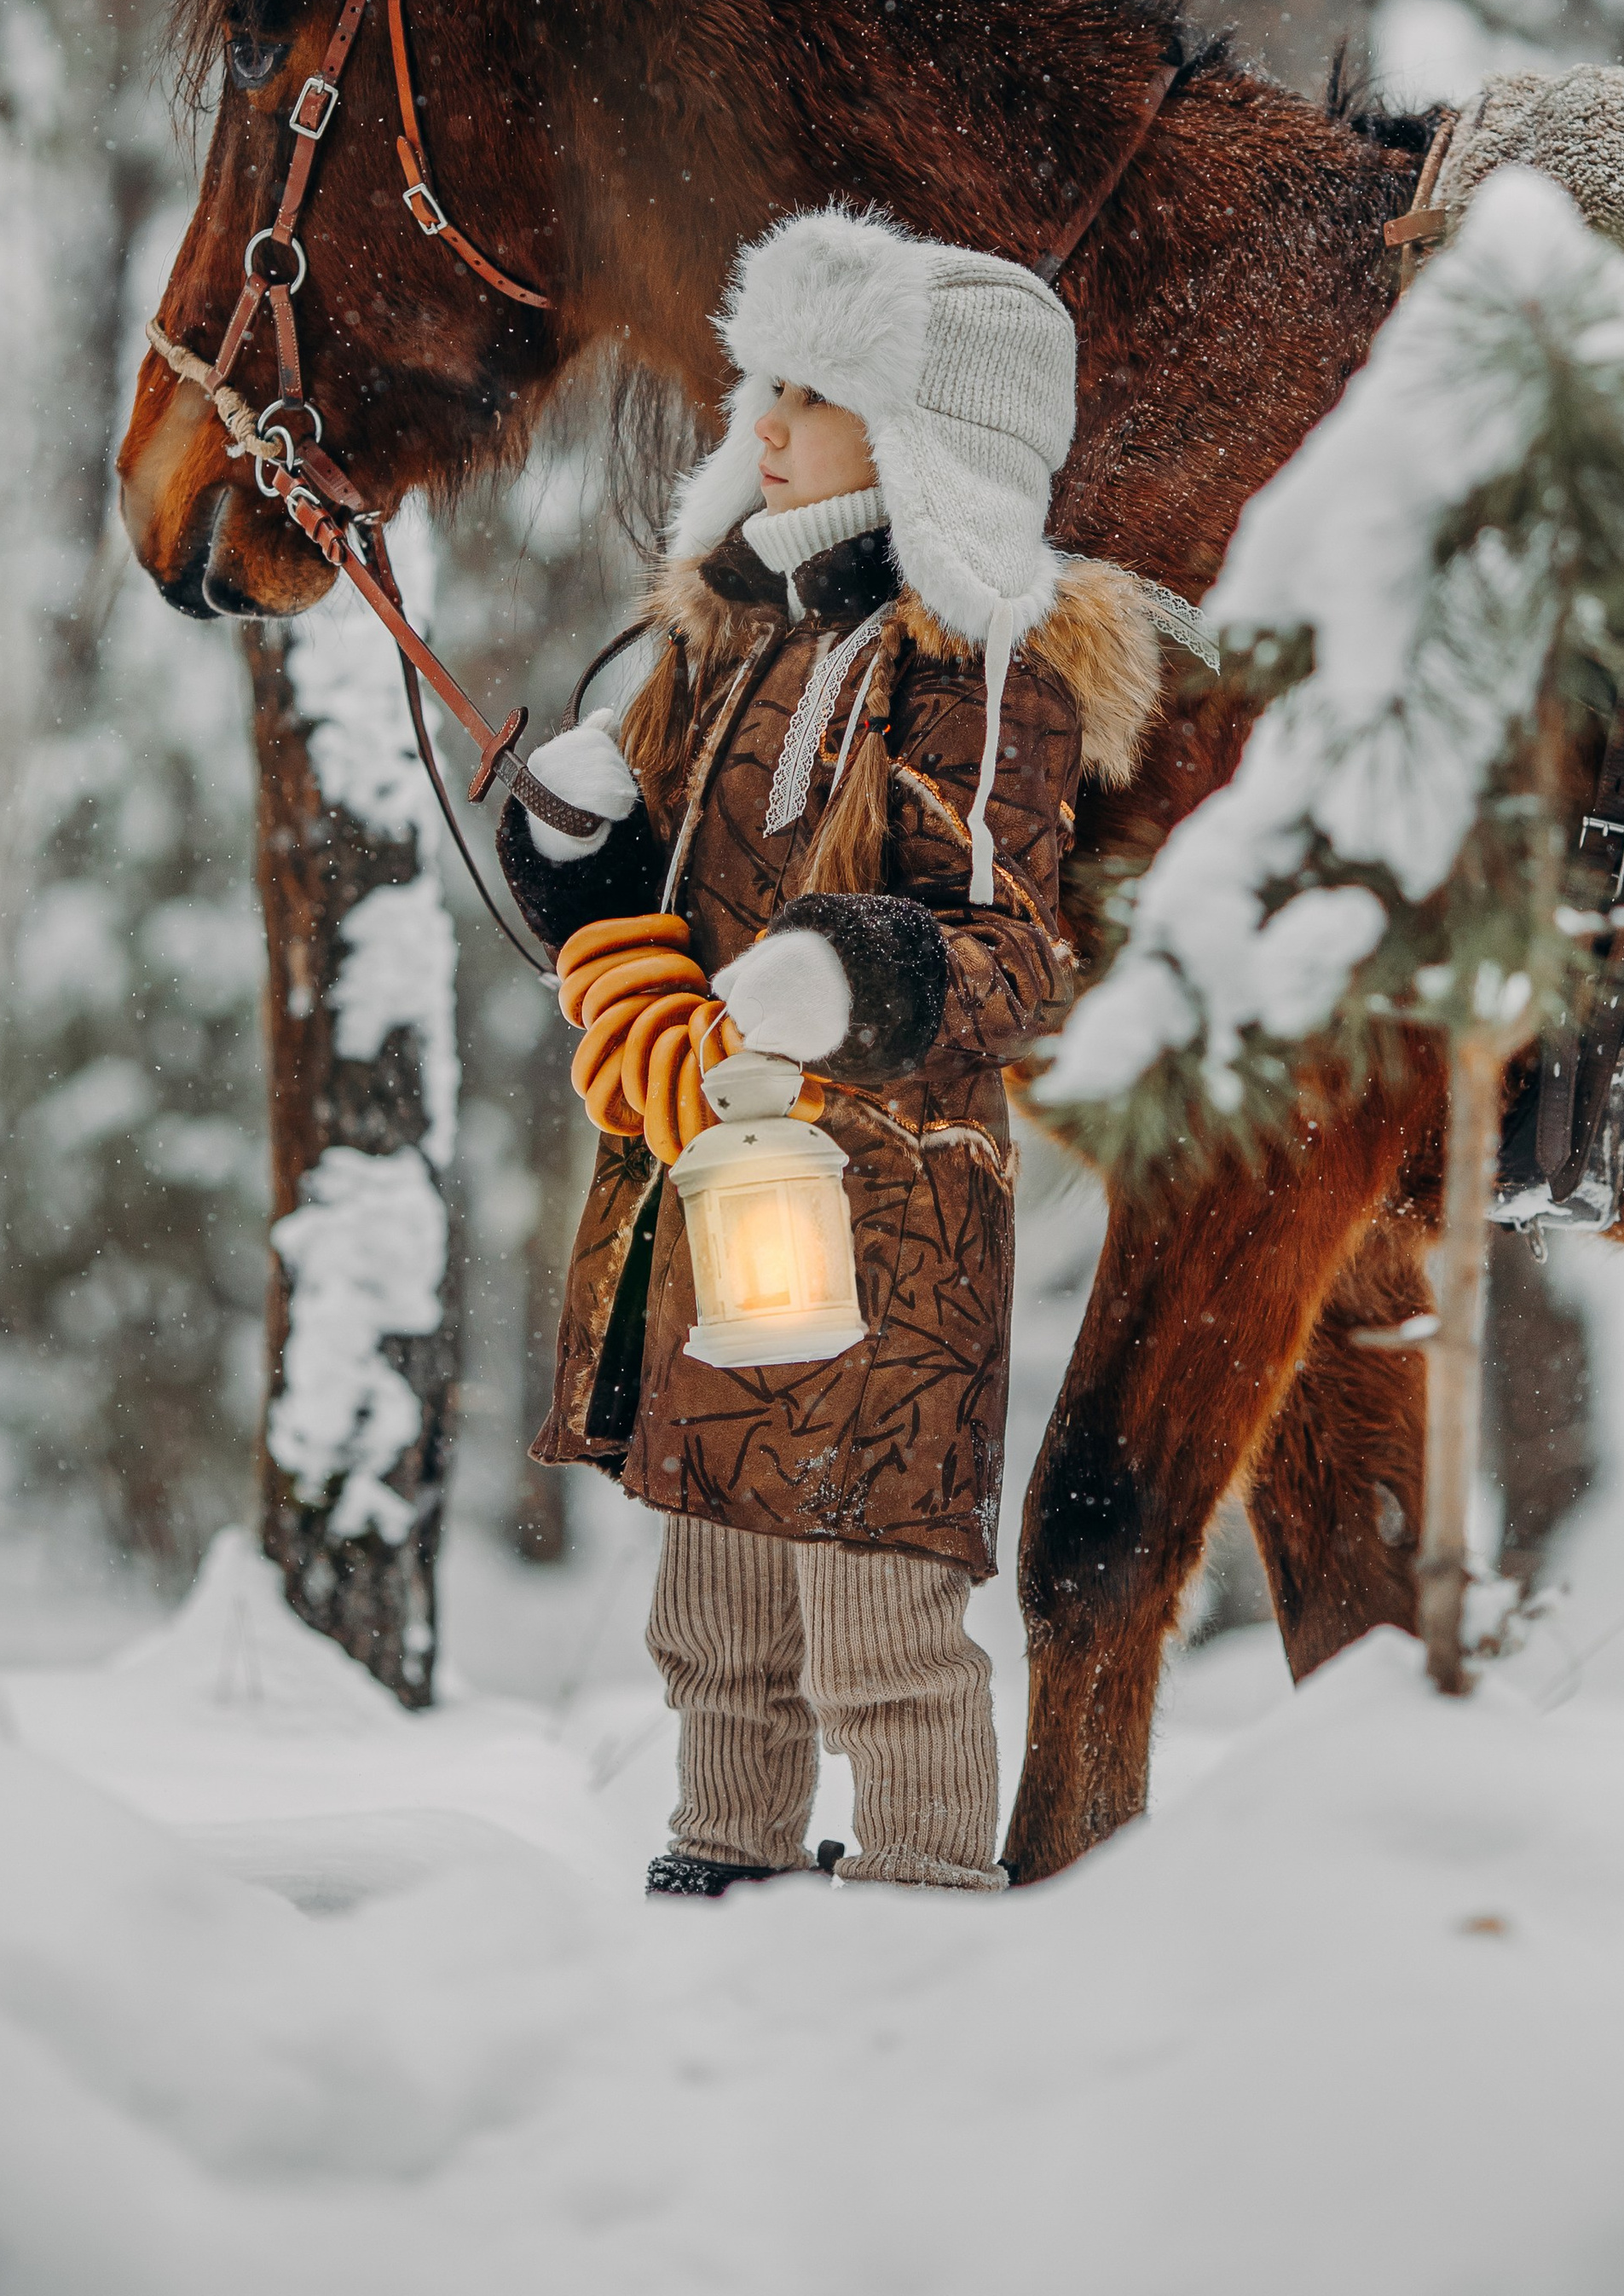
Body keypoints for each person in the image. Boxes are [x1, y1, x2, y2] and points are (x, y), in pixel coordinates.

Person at [498, 208, 1162, 1894]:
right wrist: (577, 854)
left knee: (877, 1620)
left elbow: (1016, 957)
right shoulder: (731, 643)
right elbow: (654, 899)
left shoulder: (977, 672)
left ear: (923, 430)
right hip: (718, 1191)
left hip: (888, 1234)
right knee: (711, 1608)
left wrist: (854, 970)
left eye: (811, 390)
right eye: (761, 391)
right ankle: (720, 1862)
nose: (761, 428)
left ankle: (922, 1899)